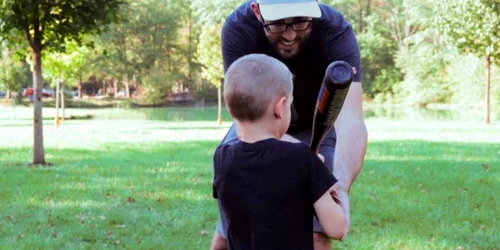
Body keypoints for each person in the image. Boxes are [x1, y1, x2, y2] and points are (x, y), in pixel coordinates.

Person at [211, 0, 368, 249]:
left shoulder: (336, 31)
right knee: (229, 230)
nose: (290, 34)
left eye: (300, 22)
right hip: (255, 122)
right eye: (278, 24)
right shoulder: (238, 27)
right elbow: (242, 111)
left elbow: (350, 119)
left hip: (320, 125)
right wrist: (303, 160)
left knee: (317, 234)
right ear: (257, 11)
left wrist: (339, 184)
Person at [213, 53, 346, 250]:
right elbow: (337, 228)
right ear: (280, 107)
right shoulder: (302, 158)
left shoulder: (222, 157)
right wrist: (320, 183)